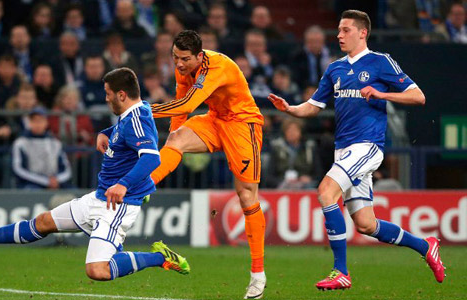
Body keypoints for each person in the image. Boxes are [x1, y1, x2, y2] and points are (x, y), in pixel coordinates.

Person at [268, 10, 445, 290]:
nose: (339, 35)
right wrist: (290, 109)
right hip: (344, 151)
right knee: (365, 224)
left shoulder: (380, 62)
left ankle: (341, 271)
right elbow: (314, 106)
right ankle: (426, 246)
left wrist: (382, 94)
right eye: (338, 30)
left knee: (326, 191)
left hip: (367, 146)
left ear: (363, 33)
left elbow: (418, 96)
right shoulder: (335, 69)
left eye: (346, 30)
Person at [0, 67, 190, 282]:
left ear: (121, 95)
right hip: (100, 198)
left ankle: (161, 258)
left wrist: (124, 184)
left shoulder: (138, 118)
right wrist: (106, 132)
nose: (106, 98)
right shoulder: (131, 114)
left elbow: (151, 158)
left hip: (118, 204)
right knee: (44, 222)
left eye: (108, 94)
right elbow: (127, 134)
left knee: (98, 270)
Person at [149, 30, 265, 299]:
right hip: (215, 119)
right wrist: (170, 143)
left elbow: (189, 102)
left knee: (246, 195)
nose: (179, 64)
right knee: (176, 139)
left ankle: (258, 276)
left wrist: (145, 109)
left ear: (199, 56)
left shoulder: (218, 66)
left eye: (185, 59)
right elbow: (181, 110)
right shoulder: (183, 68)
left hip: (242, 124)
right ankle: (144, 187)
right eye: (175, 57)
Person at [11, 107, 72, 189]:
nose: (37, 124)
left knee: (72, 193)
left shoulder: (55, 143)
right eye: (34, 121)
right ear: (29, 123)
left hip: (56, 183)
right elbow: (18, 169)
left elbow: (66, 169)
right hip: (30, 184)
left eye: (40, 120)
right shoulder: (20, 143)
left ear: (46, 122)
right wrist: (45, 181)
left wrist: (57, 180)